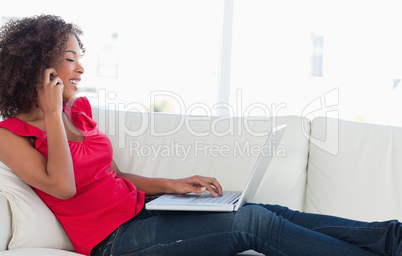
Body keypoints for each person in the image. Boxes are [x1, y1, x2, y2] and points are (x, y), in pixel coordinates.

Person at [0, 14, 401, 256]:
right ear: (39, 67)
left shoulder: (78, 114)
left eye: (79, 58)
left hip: (142, 213)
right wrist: (51, 112)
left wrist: (175, 184)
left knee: (269, 210)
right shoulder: (11, 135)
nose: (81, 69)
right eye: (70, 59)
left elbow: (114, 175)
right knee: (253, 224)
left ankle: (392, 237)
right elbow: (64, 187)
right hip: (115, 243)